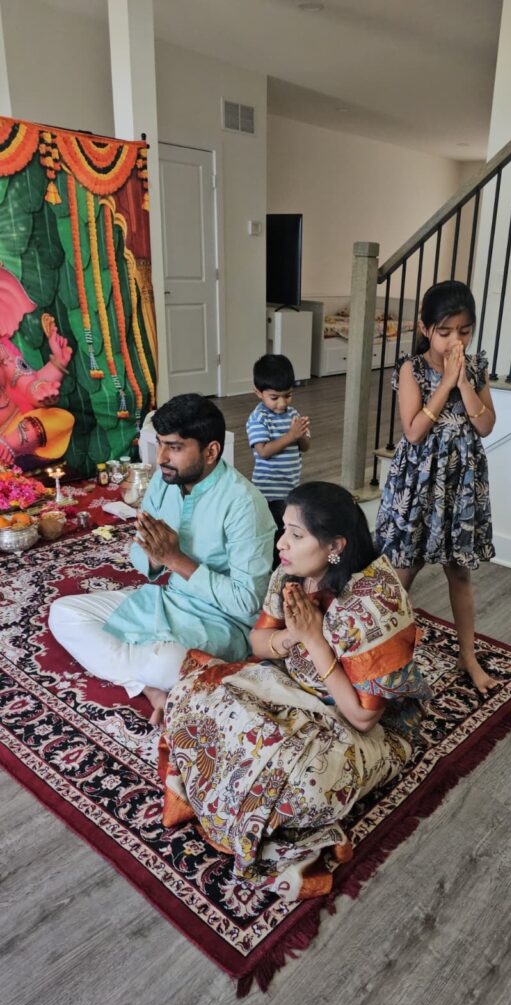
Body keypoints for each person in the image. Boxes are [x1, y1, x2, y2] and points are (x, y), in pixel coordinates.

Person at [160, 482, 431, 899]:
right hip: (291, 689)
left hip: (366, 728)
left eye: (296, 534)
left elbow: (363, 717)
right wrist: (291, 637)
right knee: (191, 694)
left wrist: (314, 640)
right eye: (284, 529)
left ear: (335, 545)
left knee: (305, 781)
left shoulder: (374, 602)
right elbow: (258, 643)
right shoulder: (291, 572)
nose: (281, 543)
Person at [49, 394, 276, 725]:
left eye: (175, 447)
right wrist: (157, 559)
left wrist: (176, 560)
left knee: (165, 662)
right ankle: (151, 689)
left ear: (211, 451)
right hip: (168, 600)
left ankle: (151, 674)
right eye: (159, 444)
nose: (161, 457)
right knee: (64, 614)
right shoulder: (164, 480)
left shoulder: (244, 505)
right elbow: (139, 554)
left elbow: (246, 601)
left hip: (222, 622)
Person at [374, 280, 497, 694]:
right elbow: (413, 431)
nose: (455, 341)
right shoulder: (411, 369)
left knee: (459, 572)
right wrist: (445, 382)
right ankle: (378, 654)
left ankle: (468, 656)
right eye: (445, 332)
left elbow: (485, 425)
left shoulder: (475, 368)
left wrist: (463, 382)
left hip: (460, 484)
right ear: (425, 328)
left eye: (464, 331)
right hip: (419, 481)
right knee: (403, 569)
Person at [0, 265, 74, 467]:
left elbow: (25, 382)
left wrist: (43, 385)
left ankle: (8, 446)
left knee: (60, 419)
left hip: (11, 429)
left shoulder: (3, 351)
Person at [246, 353, 310, 563]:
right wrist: (291, 435)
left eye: (288, 395)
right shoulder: (258, 418)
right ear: (258, 392)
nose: (282, 403)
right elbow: (263, 451)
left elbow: (306, 447)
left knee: (287, 530)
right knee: (272, 534)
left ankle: (285, 565)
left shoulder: (293, 414)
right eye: (274, 397)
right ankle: (273, 568)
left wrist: (301, 435)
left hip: (290, 488)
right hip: (268, 491)